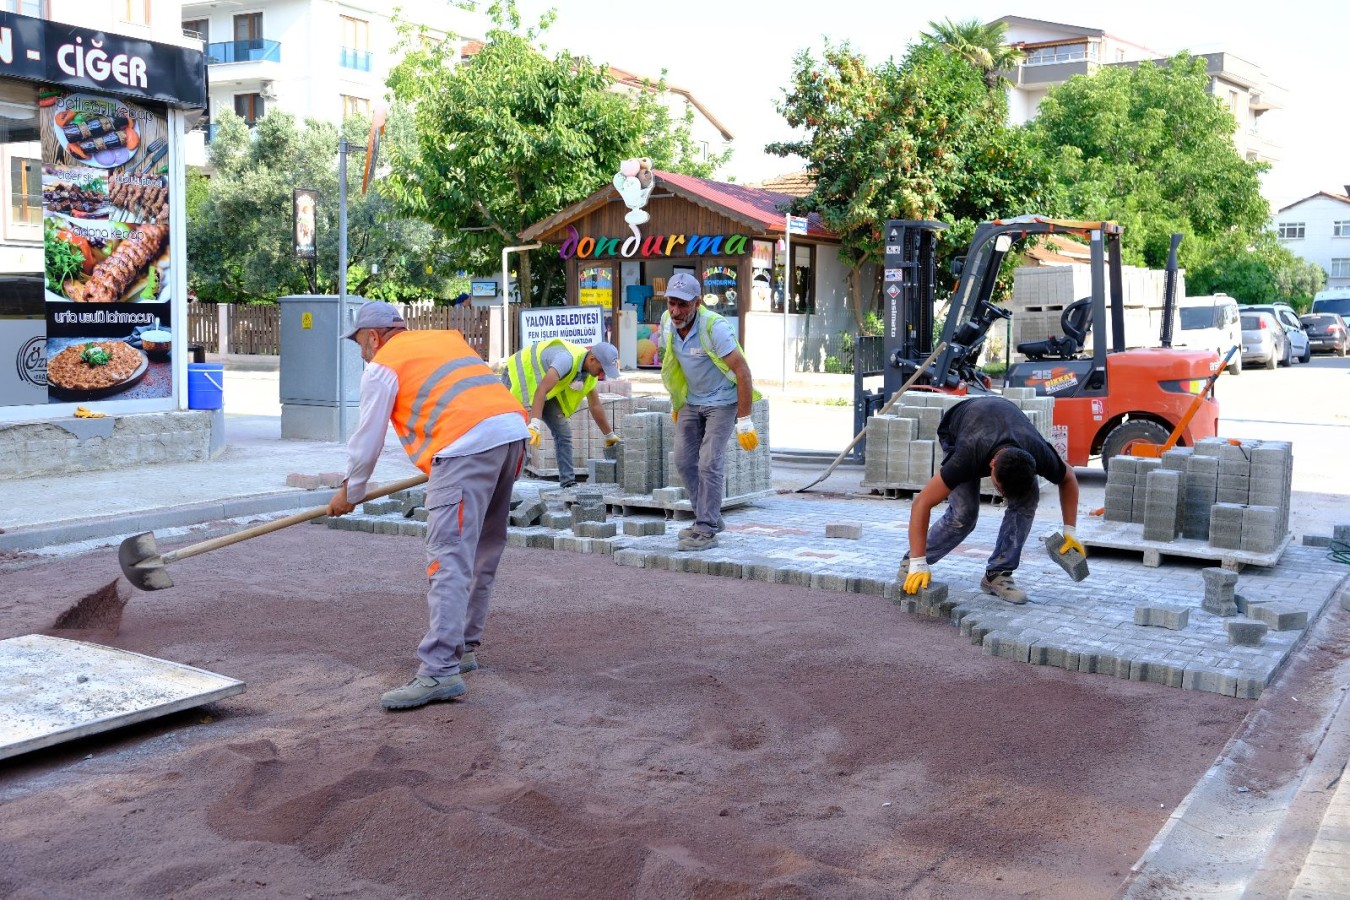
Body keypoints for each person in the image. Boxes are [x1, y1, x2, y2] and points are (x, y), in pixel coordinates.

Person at [327, 301, 529, 710]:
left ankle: (439, 670)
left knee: (448, 559)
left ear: (373, 336)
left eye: (360, 345)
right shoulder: (444, 340)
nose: (362, 353)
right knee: (482, 551)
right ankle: (464, 648)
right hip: (511, 434)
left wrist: (351, 490)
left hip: (464, 448)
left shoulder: (383, 363)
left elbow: (368, 438)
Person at [901, 395, 1083, 604]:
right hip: (959, 428)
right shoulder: (967, 456)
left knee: (1027, 501)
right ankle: (910, 563)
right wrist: (918, 562)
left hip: (1007, 424)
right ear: (992, 464)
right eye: (999, 487)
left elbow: (1068, 478)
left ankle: (998, 574)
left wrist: (1071, 530)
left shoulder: (1038, 452)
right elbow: (921, 503)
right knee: (964, 514)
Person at [658, 271, 759, 552]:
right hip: (692, 400)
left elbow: (743, 372)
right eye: (672, 303)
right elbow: (672, 367)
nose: (676, 311)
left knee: (708, 462)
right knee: (682, 460)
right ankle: (709, 517)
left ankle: (705, 529)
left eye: (683, 305)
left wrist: (745, 419)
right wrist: (676, 403)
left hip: (723, 402)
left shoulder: (715, 328)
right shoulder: (667, 324)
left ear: (697, 302)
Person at [503, 339, 622, 489]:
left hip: (542, 387)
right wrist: (535, 424)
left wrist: (609, 435)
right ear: (592, 359)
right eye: (602, 369)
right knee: (508, 431)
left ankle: (568, 483)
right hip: (519, 376)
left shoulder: (590, 374)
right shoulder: (565, 360)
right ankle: (500, 486)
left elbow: (595, 405)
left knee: (563, 431)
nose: (601, 374)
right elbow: (540, 390)